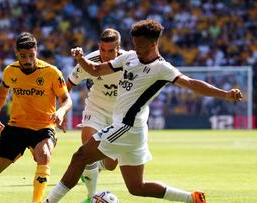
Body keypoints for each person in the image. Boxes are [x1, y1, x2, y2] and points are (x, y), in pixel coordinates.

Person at [45, 19, 243, 203]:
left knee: (80, 156)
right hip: (134, 130)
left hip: (127, 126)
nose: (136, 48)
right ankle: (192, 198)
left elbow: (191, 83)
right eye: (134, 44)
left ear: (153, 43)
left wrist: (225, 94)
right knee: (136, 187)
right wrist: (80, 59)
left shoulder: (162, 68)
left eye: (140, 45)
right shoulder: (130, 57)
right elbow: (96, 70)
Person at [0, 32, 72, 203]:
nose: (28, 60)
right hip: (16, 127)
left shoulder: (52, 72)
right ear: (17, 53)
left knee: (44, 156)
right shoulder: (10, 71)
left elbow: (66, 99)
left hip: (43, 127)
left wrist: (60, 112)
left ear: (36, 51)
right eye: (23, 56)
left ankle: (36, 202)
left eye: (31, 55)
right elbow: (2, 93)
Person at [66, 28, 125, 203]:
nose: (105, 55)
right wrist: (61, 110)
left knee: (111, 165)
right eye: (102, 50)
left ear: (118, 48)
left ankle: (95, 167)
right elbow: (68, 84)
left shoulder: (130, 60)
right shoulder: (88, 61)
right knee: (87, 148)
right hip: (96, 108)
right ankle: (91, 197)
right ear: (99, 46)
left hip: (119, 114)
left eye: (110, 51)